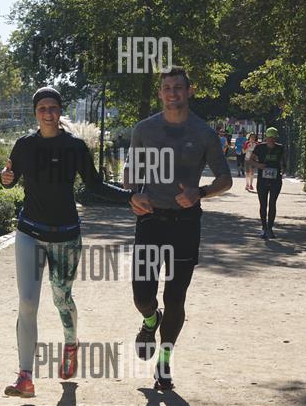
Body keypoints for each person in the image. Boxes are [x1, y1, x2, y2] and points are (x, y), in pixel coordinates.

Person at [1, 87, 149, 398]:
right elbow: (10, 179)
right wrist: (6, 178)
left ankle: (71, 343)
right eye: (42, 108)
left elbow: (95, 185)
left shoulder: (75, 147)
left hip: (66, 236)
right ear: (35, 113)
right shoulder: (25, 146)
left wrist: (129, 197)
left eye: (53, 107)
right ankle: (25, 376)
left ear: (60, 111)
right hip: (29, 232)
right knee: (27, 302)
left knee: (61, 297)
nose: (48, 113)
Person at [124, 67, 233, 390]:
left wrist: (200, 192)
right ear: (160, 93)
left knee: (175, 298)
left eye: (178, 88)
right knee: (142, 294)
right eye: (167, 88)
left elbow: (225, 179)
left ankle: (164, 361)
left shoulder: (203, 133)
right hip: (150, 220)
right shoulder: (144, 129)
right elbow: (131, 173)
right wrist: (133, 194)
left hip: (186, 223)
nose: (172, 93)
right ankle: (150, 319)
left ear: (189, 91)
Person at [251, 127, 286, 238]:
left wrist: (283, 168)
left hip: (276, 180)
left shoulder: (280, 148)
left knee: (272, 203)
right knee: (263, 204)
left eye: (274, 138)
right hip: (262, 180)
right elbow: (250, 160)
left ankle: (270, 228)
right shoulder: (259, 147)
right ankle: (264, 228)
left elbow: (283, 161)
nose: (272, 140)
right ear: (266, 137)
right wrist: (258, 165)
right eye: (270, 137)